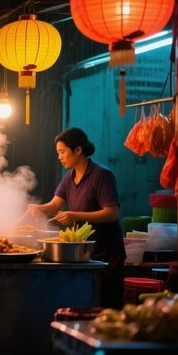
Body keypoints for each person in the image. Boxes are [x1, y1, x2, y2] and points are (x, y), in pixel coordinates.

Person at [26, 127, 125, 309]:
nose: (59, 157)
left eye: (63, 152)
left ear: (78, 150)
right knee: (86, 307)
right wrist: (37, 208)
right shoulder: (69, 178)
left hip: (107, 254)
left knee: (105, 308)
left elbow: (111, 213)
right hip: (85, 254)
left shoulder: (102, 175)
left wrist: (74, 216)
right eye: (58, 153)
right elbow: (54, 206)